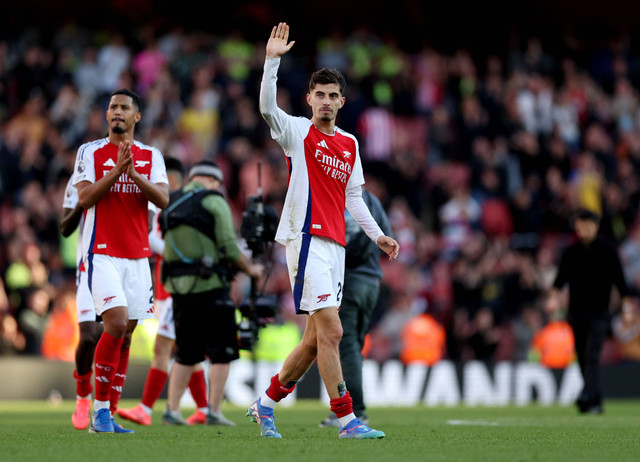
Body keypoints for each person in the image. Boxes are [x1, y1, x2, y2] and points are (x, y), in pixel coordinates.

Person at [246, 23, 399, 440]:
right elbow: (265, 108)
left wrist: (376, 235)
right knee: (333, 330)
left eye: (334, 96)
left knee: (315, 341)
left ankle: (264, 405)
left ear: (342, 102)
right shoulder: (297, 131)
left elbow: (354, 198)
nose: (326, 102)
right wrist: (271, 61)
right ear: (309, 99)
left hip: (337, 247)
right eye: (320, 95)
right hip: (305, 239)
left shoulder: (349, 144)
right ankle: (348, 419)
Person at [73, 88, 170, 433]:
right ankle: (99, 412)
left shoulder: (151, 155)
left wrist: (135, 176)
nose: (116, 112)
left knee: (127, 335)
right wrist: (116, 172)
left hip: (138, 257)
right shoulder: (91, 151)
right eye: (112, 107)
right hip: (102, 253)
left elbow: (163, 199)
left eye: (124, 107)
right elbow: (84, 198)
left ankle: (109, 412)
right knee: (114, 323)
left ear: (136, 117)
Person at [161, 159, 264, 426]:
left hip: (179, 288)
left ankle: (172, 410)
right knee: (221, 350)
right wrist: (250, 270)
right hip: (211, 286)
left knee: (185, 351)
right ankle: (214, 411)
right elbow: (229, 247)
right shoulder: (214, 201)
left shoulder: (170, 200)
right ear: (215, 181)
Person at [115, 157, 210, 426]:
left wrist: (146, 241)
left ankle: (145, 409)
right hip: (171, 288)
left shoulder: (175, 208)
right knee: (184, 349)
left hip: (176, 290)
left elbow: (169, 245)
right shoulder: (168, 208)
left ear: (175, 180)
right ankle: (204, 408)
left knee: (162, 347)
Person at [546, 207, 632, 414]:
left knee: (592, 354)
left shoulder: (608, 251)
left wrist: (627, 309)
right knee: (582, 357)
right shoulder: (571, 252)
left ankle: (585, 395)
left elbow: (621, 285)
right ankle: (595, 399)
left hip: (600, 313)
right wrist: (553, 299)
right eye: (580, 224)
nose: (583, 229)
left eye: (587, 224)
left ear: (595, 226)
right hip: (576, 313)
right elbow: (558, 282)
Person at [319, 188, 392, 427]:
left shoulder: (335, 196)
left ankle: (355, 410)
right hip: (371, 282)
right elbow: (386, 237)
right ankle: (354, 407)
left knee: (347, 346)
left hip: (349, 281)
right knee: (354, 345)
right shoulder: (372, 200)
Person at [60, 173, 103, 430]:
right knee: (88, 336)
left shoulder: (129, 171)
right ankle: (83, 396)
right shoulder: (80, 176)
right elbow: (65, 228)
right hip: (89, 266)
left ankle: (106, 405)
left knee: (116, 334)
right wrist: (83, 201)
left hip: (122, 264)